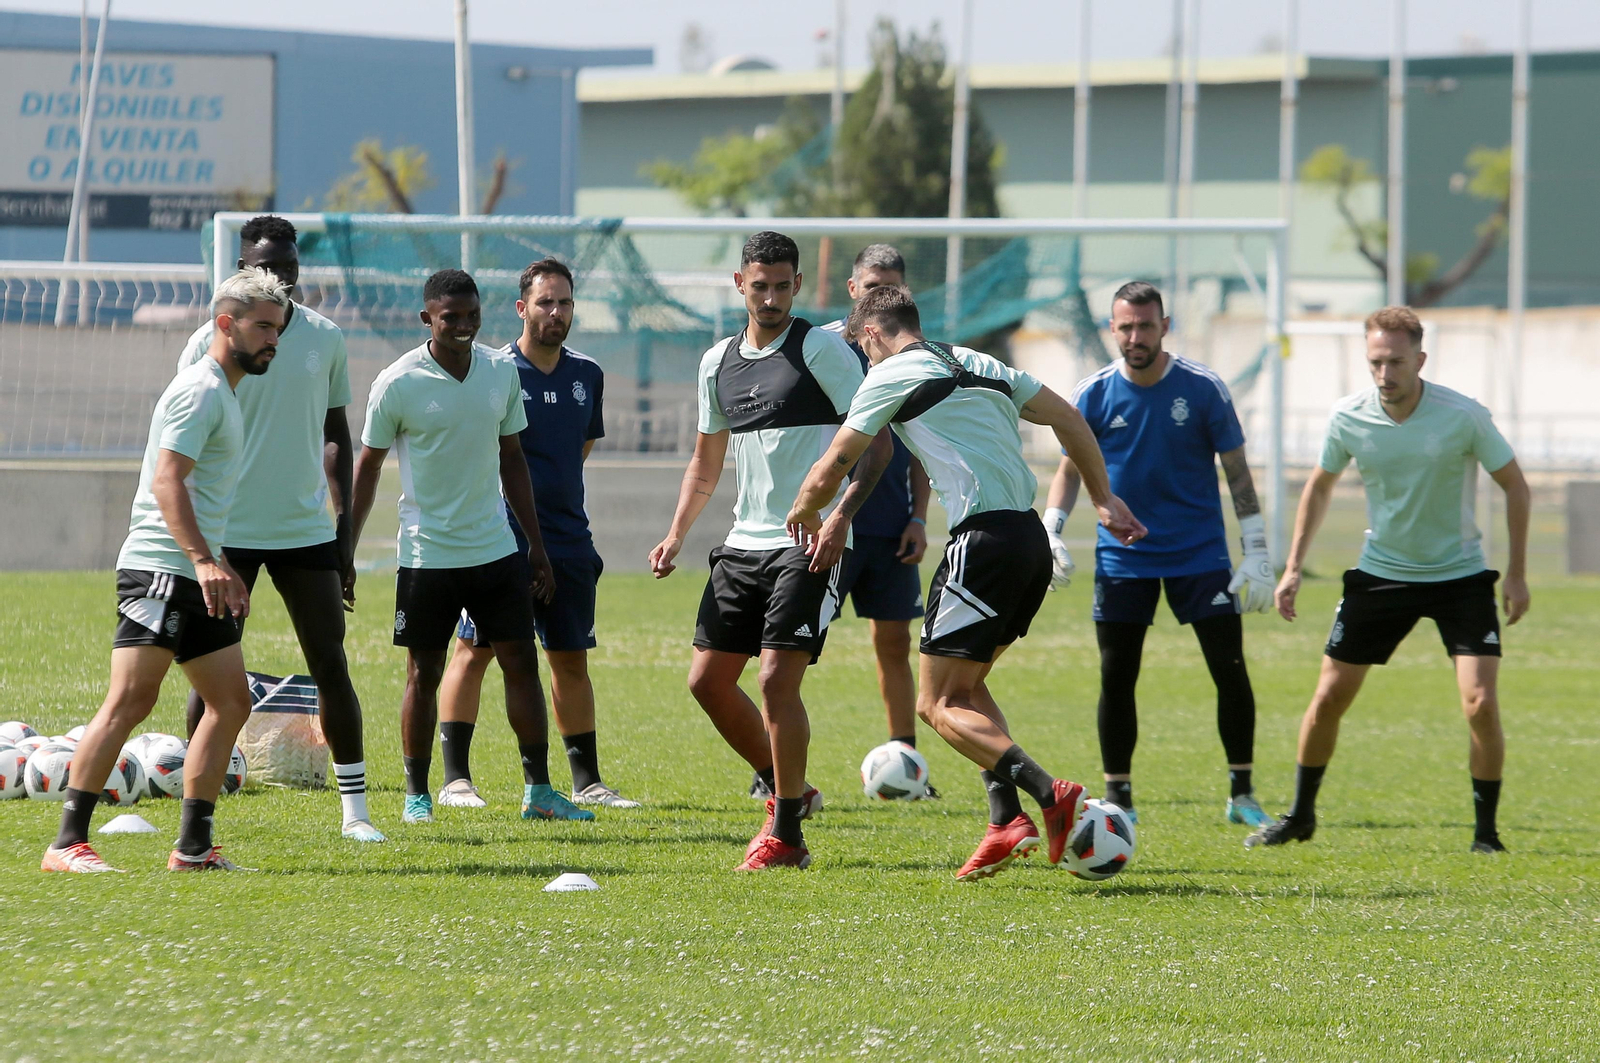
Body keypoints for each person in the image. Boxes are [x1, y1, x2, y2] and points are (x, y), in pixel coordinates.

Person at [786, 284, 1146, 881]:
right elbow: (1069, 418)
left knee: (936, 702)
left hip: (981, 545)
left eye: (861, 347)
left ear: (872, 333)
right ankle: (1005, 820)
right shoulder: (984, 364)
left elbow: (836, 461)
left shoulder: (891, 373)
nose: (863, 358)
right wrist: (1103, 498)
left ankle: (1048, 795)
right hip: (1029, 542)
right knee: (969, 688)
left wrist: (802, 511)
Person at [648, 230, 892, 871]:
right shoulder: (715, 362)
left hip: (806, 542)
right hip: (741, 543)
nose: (773, 297)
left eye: (784, 285)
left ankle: (785, 834)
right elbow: (705, 464)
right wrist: (677, 533)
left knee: (776, 678)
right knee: (706, 682)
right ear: (739, 284)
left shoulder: (823, 351)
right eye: (761, 286)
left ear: (797, 284)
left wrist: (839, 516)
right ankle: (793, 788)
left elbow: (878, 445)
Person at [1248, 305, 1530, 853]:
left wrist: (1516, 574)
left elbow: (1516, 486)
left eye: (1396, 362)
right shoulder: (1348, 417)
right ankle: (1300, 815)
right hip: (1382, 574)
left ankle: (1486, 834)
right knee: (1329, 697)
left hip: (1460, 577)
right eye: (1376, 362)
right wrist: (1293, 568)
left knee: (1481, 704)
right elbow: (1321, 486)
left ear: (1420, 359)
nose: (1385, 374)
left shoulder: (1463, 415)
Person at [42, 268, 289, 873]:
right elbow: (166, 482)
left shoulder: (226, 393)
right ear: (225, 323)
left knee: (230, 702)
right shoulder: (199, 390)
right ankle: (66, 842)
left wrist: (220, 563)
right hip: (160, 567)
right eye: (261, 327)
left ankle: (194, 847)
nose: (272, 340)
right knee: (131, 701)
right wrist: (204, 560)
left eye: (277, 330)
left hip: (196, 568)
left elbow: (199, 495)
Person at [349, 269, 592, 826]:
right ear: (426, 319)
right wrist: (348, 548)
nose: (462, 326)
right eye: (450, 316)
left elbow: (513, 459)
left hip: (496, 550)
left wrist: (533, 544)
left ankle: (539, 791)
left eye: (471, 316)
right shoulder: (398, 381)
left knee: (522, 667)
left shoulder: (500, 373)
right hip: (427, 555)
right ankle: (417, 794)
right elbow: (368, 467)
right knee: (423, 674)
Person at [176, 215, 382, 843]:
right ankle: (195, 799)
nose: (278, 278)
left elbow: (334, 435)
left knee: (330, 663)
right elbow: (180, 444)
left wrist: (344, 530)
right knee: (211, 672)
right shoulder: (204, 344)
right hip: (227, 534)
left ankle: (356, 813)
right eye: (264, 268)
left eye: (287, 266)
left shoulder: (324, 338)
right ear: (240, 269)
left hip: (303, 533)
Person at [1043, 281, 1274, 828]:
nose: (1135, 336)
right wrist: (1051, 528)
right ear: (1112, 329)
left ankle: (1241, 792)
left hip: (1201, 557)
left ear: (1165, 326)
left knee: (1230, 670)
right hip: (1124, 559)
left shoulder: (1203, 388)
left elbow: (1237, 471)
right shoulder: (1093, 393)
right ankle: (1119, 795)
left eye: (1146, 325)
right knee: (1117, 676)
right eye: (1125, 326)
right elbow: (1070, 469)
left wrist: (1257, 548)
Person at [434, 259, 638, 810]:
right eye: (545, 302)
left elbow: (579, 451)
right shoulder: (492, 370)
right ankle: (455, 780)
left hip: (569, 541)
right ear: (522, 309)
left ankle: (587, 781)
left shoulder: (587, 375)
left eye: (565, 303)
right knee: (474, 650)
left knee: (570, 658)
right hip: (498, 541)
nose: (556, 312)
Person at [814, 244, 936, 791]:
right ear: (851, 288)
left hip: (889, 527)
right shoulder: (818, 349)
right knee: (794, 645)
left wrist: (918, 517)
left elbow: (921, 444)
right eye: (870, 286)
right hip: (828, 526)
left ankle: (907, 764)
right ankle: (770, 770)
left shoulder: (916, 356)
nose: (877, 297)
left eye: (890, 288)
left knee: (894, 646)